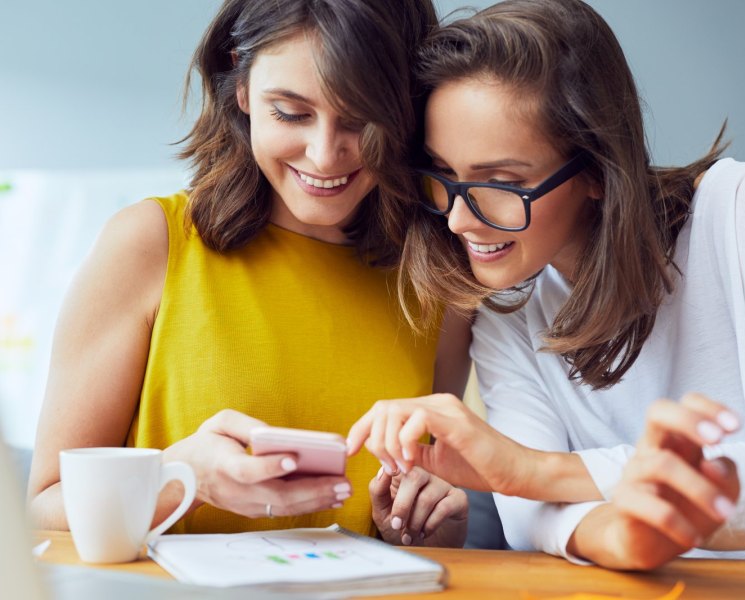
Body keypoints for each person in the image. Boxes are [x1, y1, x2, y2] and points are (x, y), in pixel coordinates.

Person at [347, 0, 745, 569]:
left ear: (597, 171)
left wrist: (534, 470)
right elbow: (528, 515)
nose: (459, 220)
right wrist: (622, 536)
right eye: (444, 176)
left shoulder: (743, 211)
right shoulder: (506, 303)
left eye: (503, 182)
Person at [27, 0, 470, 549]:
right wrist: (179, 479)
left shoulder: (438, 286)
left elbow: (411, 519)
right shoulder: (150, 243)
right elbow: (44, 504)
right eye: (291, 112)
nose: (325, 155)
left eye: (361, 119)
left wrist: (431, 524)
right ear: (240, 84)